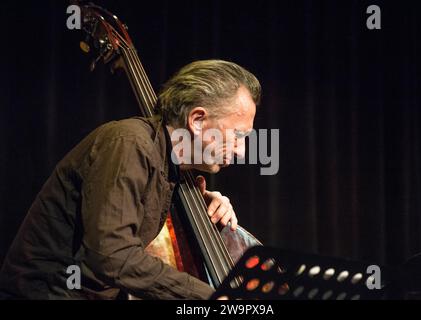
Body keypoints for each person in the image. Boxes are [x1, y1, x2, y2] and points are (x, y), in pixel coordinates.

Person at [0, 59, 260, 299]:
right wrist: (210, 298)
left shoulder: (174, 171)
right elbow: (111, 255)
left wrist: (206, 208)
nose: (241, 151)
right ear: (198, 120)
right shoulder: (129, 143)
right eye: (238, 135)